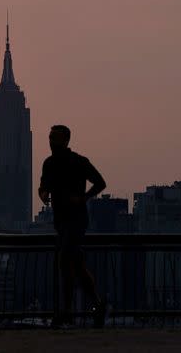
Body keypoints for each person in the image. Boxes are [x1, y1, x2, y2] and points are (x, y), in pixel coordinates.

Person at [38, 125, 107, 328]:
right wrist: (43, 195)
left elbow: (100, 182)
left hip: (76, 220)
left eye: (55, 138)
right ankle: (96, 303)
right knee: (75, 266)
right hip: (62, 221)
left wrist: (82, 198)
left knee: (65, 262)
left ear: (66, 140)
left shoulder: (79, 162)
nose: (51, 142)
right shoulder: (49, 164)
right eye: (50, 138)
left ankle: (67, 311)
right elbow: (43, 187)